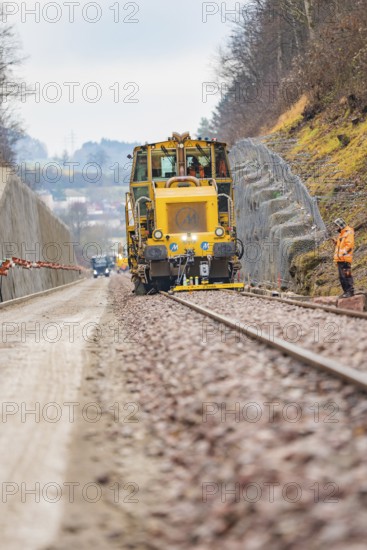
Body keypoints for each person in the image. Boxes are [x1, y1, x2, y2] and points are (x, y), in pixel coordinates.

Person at [332, 218, 355, 298]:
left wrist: (343, 254)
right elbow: (342, 245)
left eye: (336, 226)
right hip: (341, 259)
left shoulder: (348, 232)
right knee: (342, 277)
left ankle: (350, 292)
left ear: (340, 225)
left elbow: (349, 245)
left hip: (345, 259)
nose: (335, 228)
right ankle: (346, 292)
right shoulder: (342, 233)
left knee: (346, 276)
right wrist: (336, 242)